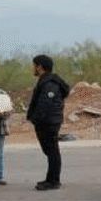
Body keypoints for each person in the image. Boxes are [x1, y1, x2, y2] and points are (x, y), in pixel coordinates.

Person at [25, 54, 70, 191]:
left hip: (49, 122)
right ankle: (51, 178)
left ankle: (53, 181)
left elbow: (45, 105)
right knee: (50, 151)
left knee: (52, 151)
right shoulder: (45, 81)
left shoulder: (50, 84)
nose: (33, 68)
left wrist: (36, 119)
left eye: (34, 66)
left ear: (39, 67)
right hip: (47, 121)